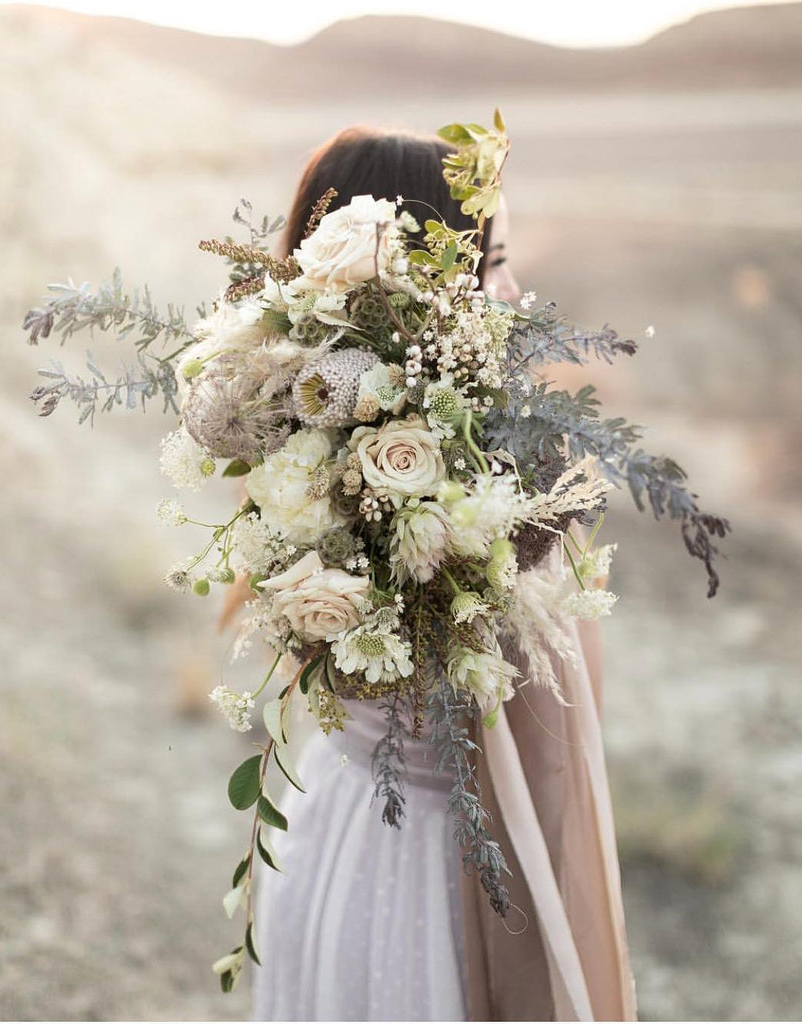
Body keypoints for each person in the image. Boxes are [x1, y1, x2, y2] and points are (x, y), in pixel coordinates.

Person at [242, 126, 637, 1022]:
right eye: (492, 261)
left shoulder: (295, 429)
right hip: (436, 872)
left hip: (334, 817)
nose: (513, 290)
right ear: (423, 273)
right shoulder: (480, 466)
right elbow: (563, 712)